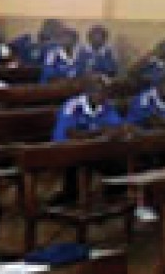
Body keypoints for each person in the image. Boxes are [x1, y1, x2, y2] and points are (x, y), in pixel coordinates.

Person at [50, 74, 127, 205]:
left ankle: (108, 201)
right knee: (79, 165)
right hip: (64, 149)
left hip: (92, 148)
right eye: (97, 91)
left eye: (105, 91)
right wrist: (100, 131)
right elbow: (71, 133)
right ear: (88, 91)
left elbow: (117, 127)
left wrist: (112, 131)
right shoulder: (73, 106)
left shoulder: (106, 105)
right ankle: (69, 198)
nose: (102, 95)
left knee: (118, 169)